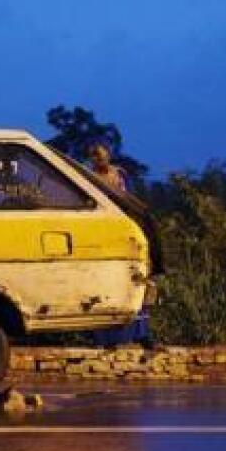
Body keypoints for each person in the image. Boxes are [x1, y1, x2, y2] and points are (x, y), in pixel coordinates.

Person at [86, 142, 153, 348]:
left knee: (135, 280)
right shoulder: (88, 178)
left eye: (103, 156)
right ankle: (105, 339)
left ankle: (140, 334)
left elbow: (131, 202)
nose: (100, 160)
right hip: (100, 232)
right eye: (96, 157)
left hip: (124, 229)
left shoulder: (120, 176)